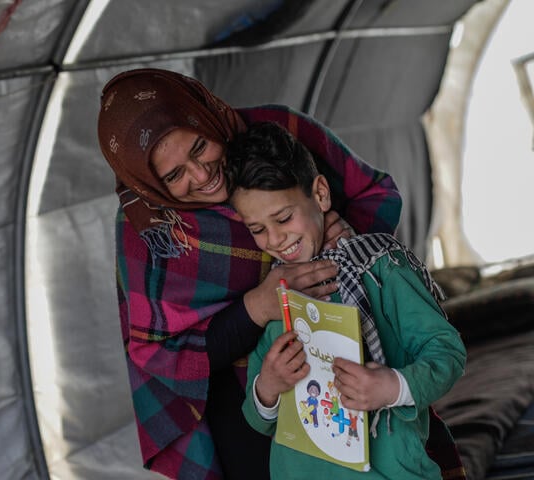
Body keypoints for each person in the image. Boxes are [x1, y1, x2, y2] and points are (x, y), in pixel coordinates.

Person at [96, 68, 463, 480]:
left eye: (200, 147)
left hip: (354, 354)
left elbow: (372, 192)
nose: (201, 175)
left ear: (206, 116)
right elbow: (159, 351)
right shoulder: (147, 229)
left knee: (388, 452)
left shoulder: (281, 133)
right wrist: (256, 307)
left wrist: (343, 243)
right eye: (174, 175)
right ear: (151, 183)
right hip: (247, 393)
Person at [224, 121, 466, 479]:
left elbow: (448, 353)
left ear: (320, 194)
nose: (274, 239)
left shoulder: (381, 268)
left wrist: (392, 387)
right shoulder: (279, 293)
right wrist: (268, 387)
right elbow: (258, 419)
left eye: (284, 217)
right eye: (258, 229)